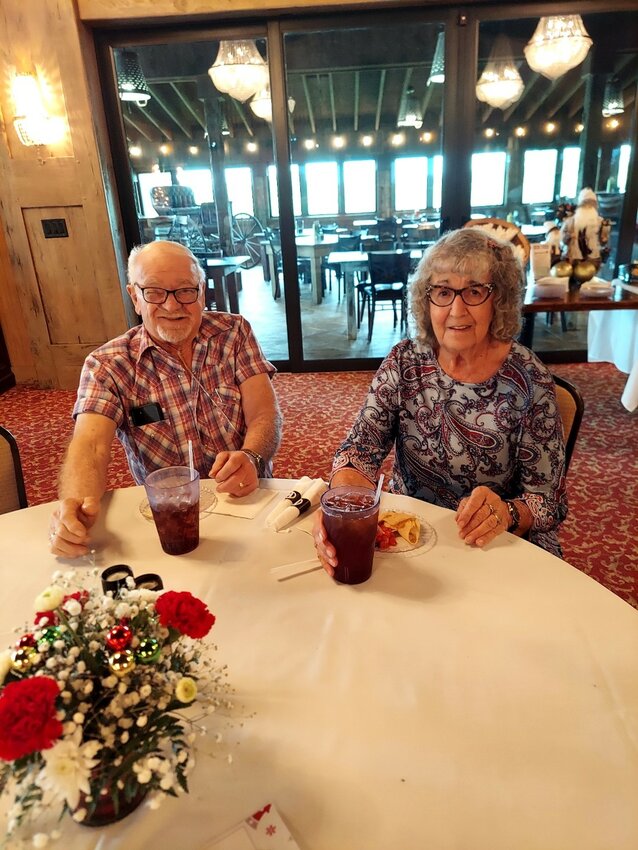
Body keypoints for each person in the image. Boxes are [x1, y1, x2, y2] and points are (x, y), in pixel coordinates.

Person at [314, 227, 568, 575]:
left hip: (495, 543)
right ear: (426, 298)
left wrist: (507, 513)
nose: (456, 310)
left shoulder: (528, 378)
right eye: (443, 292)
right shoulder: (405, 361)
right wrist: (343, 511)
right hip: (411, 536)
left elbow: (548, 503)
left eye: (475, 292)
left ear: (501, 300)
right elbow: (359, 450)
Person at [50, 240, 282, 558]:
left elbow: (264, 412)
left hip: (245, 498)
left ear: (201, 291)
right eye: (155, 292)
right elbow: (91, 445)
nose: (172, 307)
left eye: (185, 291)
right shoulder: (107, 364)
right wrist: (74, 504)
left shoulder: (234, 333)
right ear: (135, 296)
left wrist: (253, 457)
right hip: (166, 518)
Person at [560, 187, 611, 269]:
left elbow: (604, 242)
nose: (588, 206)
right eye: (585, 204)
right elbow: (562, 240)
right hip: (573, 258)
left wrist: (604, 236)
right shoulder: (570, 222)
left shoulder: (601, 222)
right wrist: (568, 237)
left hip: (592, 259)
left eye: (591, 203)